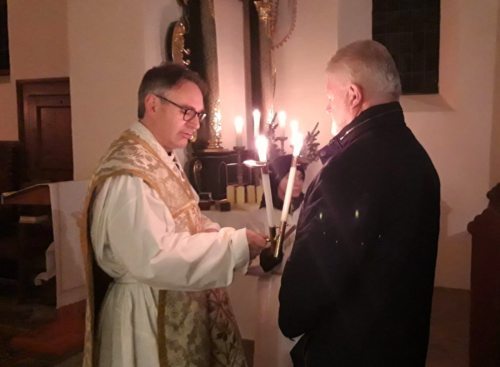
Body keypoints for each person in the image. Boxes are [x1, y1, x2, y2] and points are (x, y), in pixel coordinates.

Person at [81, 63, 268, 367]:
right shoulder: (130, 174)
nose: (196, 124)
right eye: (187, 112)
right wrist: (231, 246)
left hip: (168, 300)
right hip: (147, 317)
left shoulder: (160, 157)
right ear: (152, 104)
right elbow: (152, 256)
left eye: (199, 114)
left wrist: (222, 238)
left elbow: (188, 217)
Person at [278, 40, 440, 367]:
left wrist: (290, 316)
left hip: (351, 350)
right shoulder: (418, 157)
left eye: (329, 98)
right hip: (400, 343)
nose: (327, 108)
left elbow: (316, 274)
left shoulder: (348, 168)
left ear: (353, 95)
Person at [247, 154, 306, 367]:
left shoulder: (308, 210)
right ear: (275, 179)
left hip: (303, 288)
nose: (297, 182)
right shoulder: (261, 217)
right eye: (291, 177)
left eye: (300, 177)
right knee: (273, 350)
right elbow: (246, 262)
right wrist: (265, 261)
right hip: (274, 289)